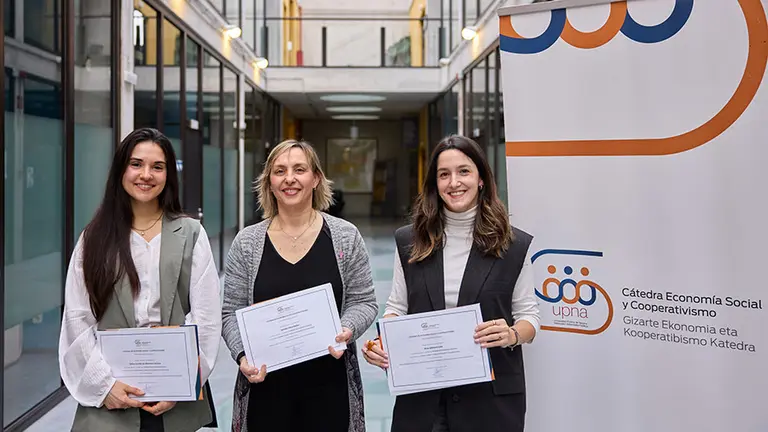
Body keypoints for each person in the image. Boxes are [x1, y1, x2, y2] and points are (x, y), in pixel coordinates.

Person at [361, 135, 541, 432]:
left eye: (464, 171)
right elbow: (397, 306)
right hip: (423, 398)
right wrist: (384, 341)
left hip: (490, 400)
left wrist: (510, 334)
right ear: (435, 183)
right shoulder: (410, 241)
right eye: (444, 174)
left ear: (481, 178)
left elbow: (530, 318)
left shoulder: (514, 244)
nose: (454, 182)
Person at [58, 128, 222, 432]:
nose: (146, 174)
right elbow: (77, 319)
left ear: (168, 175)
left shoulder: (190, 234)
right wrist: (105, 386)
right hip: (111, 395)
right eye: (136, 164)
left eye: (157, 167)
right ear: (121, 169)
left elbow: (207, 319)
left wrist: (182, 382)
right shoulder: (94, 238)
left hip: (174, 398)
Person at [221, 139, 378, 432]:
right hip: (265, 389)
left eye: (299, 169)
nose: (289, 178)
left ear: (316, 178)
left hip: (330, 386)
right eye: (279, 171)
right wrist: (243, 355)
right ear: (269, 182)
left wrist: (346, 329)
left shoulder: (345, 236)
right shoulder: (247, 243)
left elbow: (364, 302)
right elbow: (230, 312)